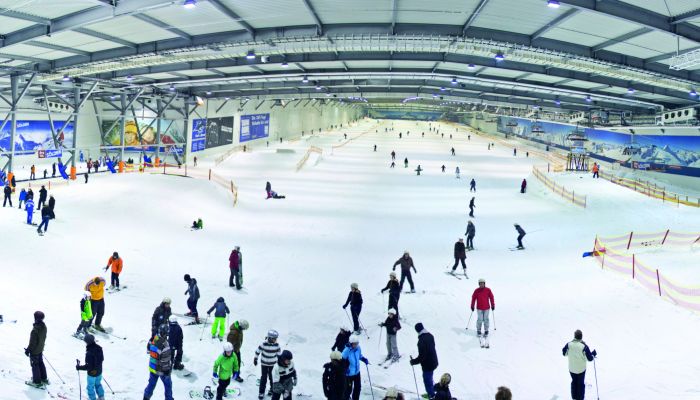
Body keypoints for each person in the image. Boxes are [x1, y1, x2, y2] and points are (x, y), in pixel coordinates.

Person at [563, 330, 596, 400]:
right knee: (580, 384)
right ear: (581, 336)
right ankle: (580, 398)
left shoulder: (569, 344)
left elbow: (564, 353)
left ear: (574, 336)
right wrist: (593, 354)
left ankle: (574, 397)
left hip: (572, 369)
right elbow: (589, 358)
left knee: (574, 381)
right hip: (581, 370)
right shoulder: (584, 346)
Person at [143, 323, 173, 400]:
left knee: (151, 384)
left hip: (153, 367)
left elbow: (150, 350)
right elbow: (165, 360)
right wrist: (167, 370)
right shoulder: (165, 344)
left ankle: (146, 397)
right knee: (168, 385)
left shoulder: (154, 339)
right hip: (161, 370)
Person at [409, 323, 438, 399]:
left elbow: (422, 356)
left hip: (428, 365)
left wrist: (413, 361)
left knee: (427, 380)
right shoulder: (430, 335)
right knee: (430, 378)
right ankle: (431, 392)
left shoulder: (421, 341)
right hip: (434, 361)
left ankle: (431, 395)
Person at [76, 334, 105, 400]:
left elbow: (88, 367)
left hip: (92, 373)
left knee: (90, 387)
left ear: (87, 342)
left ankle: (92, 398)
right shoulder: (99, 348)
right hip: (99, 371)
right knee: (98, 384)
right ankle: (101, 397)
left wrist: (79, 367)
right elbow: (102, 359)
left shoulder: (89, 353)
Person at [254, 330, 281, 399]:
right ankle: (261, 392)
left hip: (272, 364)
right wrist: (255, 359)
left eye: (276, 338)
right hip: (264, 364)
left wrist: (281, 361)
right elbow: (257, 351)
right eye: (274, 338)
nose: (276, 340)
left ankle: (272, 390)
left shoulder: (277, 345)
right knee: (264, 378)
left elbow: (279, 355)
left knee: (272, 378)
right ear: (270, 338)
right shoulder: (263, 344)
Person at [341, 335, 368, 400]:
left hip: (357, 372)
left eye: (357, 343)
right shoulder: (346, 350)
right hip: (349, 374)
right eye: (354, 344)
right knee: (348, 390)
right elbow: (342, 361)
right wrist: (345, 369)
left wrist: (363, 359)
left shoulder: (358, 348)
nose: (356, 345)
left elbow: (359, 355)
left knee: (358, 388)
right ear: (350, 343)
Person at [25, 311, 48, 388]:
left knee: (35, 365)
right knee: (40, 362)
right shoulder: (44, 327)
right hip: (40, 348)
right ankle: (44, 378)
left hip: (35, 350)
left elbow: (32, 343)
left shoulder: (35, 330)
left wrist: (28, 350)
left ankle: (37, 381)